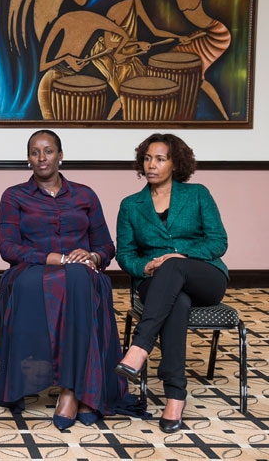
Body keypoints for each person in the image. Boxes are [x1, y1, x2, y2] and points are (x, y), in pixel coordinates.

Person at [0, 129, 142, 430]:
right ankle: (77, 390)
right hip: (32, 270)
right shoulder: (14, 196)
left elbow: (106, 245)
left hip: (80, 272)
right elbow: (8, 248)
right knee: (53, 283)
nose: (42, 157)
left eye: (48, 151)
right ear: (28, 159)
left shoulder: (85, 194)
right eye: (35, 152)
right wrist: (53, 258)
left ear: (61, 155)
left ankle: (74, 390)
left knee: (80, 280)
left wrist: (93, 257)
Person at [115, 133, 228, 433]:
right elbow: (125, 255)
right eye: (147, 158)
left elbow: (218, 241)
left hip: (204, 275)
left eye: (160, 159)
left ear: (176, 163)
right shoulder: (131, 205)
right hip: (155, 281)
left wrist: (180, 255)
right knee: (175, 302)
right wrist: (147, 265)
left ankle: (139, 347)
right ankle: (175, 397)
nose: (151, 165)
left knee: (174, 265)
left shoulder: (198, 194)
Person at [135, 0, 230, 120]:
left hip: (217, 32)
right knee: (175, 56)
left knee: (198, 73)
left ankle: (223, 114)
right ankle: (174, 109)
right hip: (203, 32)